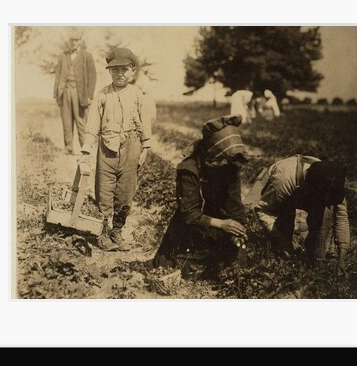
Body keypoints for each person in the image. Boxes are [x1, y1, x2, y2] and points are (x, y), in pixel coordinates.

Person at [153, 114, 249, 277]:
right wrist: (222, 224)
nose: (224, 165)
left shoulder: (230, 165)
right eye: (221, 160)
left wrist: (237, 232)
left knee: (239, 263)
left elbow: (235, 206)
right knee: (178, 266)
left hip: (218, 224)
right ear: (211, 152)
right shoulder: (189, 169)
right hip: (192, 225)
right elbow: (189, 214)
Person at [79, 48, 152, 252]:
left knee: (125, 192)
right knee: (104, 189)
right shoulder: (102, 95)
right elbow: (93, 124)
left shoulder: (137, 95)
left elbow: (145, 124)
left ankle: (117, 230)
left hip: (131, 147)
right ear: (109, 72)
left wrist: (145, 148)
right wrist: (86, 149)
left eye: (124, 69)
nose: (119, 74)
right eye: (115, 70)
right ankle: (102, 231)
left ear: (133, 71)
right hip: (107, 149)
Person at [252, 155, 350, 277]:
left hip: (308, 189)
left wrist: (341, 259)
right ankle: (283, 249)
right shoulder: (284, 181)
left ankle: (314, 259)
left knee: (326, 214)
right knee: (283, 245)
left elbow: (341, 219)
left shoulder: (332, 181)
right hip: (286, 189)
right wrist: (278, 236)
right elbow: (262, 210)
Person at [53, 31, 97, 155]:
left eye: (76, 40)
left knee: (81, 120)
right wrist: (56, 93)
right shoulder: (62, 56)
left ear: (80, 41)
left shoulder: (87, 56)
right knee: (66, 120)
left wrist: (89, 95)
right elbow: (58, 75)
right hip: (65, 91)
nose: (73, 42)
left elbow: (92, 76)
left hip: (80, 93)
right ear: (69, 41)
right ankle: (68, 147)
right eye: (72, 40)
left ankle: (85, 147)